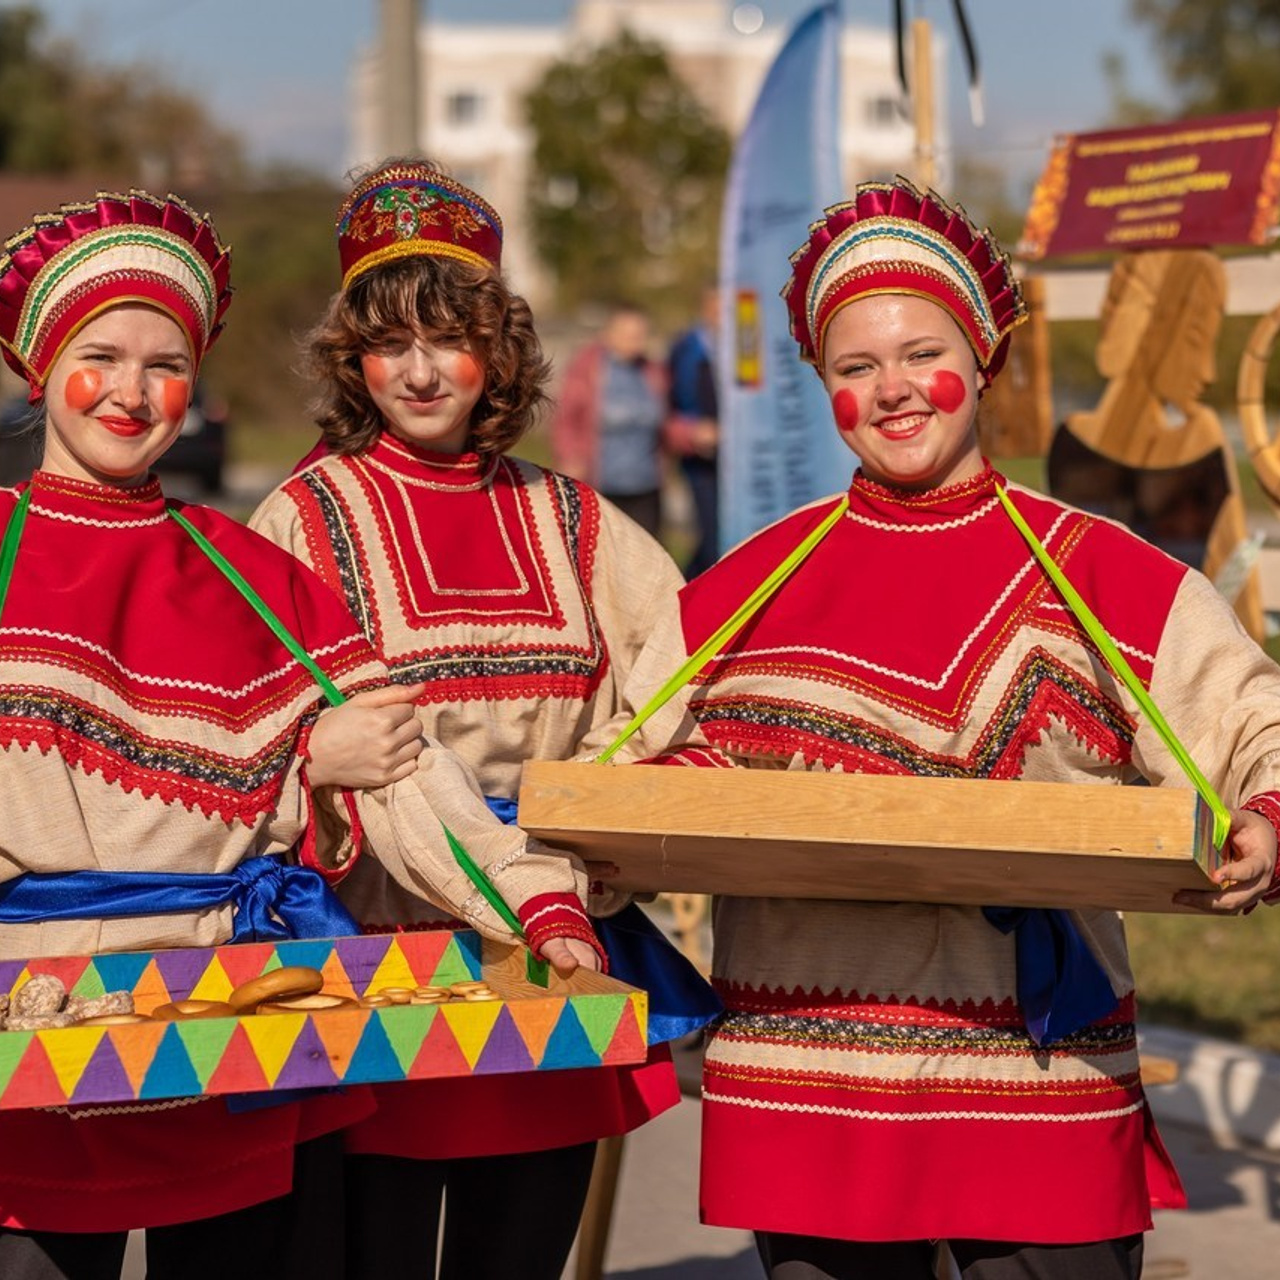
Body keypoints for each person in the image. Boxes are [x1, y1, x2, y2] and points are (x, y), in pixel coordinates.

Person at [582, 177, 1280, 1280]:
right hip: (810, 1078)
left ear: (983, 358)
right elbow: (635, 757)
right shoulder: (751, 584)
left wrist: (1263, 810)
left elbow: (1250, 714)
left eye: (920, 352)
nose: (893, 389)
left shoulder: (1097, 567)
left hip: (1035, 1071)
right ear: (822, 389)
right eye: (855, 368)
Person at [0, 188, 602, 1280]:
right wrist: (296, 770)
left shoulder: (261, 580)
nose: (132, 393)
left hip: (227, 1032)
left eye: (164, 363)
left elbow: (414, 784)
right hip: (26, 1034)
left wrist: (538, 903)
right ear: (41, 369)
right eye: (102, 355)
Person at [250, 160, 713, 1280]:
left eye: (447, 337)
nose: (418, 370)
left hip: (548, 959)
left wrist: (594, 813)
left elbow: (677, 674)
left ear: (495, 350)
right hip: (378, 966)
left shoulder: (572, 517)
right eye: (389, 340)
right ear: (352, 356)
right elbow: (266, 729)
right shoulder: (303, 518)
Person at [550, 299, 668, 538]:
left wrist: (694, 434)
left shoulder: (653, 372)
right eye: (628, 335)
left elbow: (667, 422)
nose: (636, 342)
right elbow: (566, 420)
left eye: (640, 335)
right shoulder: (588, 369)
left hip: (646, 484)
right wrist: (571, 458)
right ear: (609, 335)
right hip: (601, 485)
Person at [666, 284, 721, 577]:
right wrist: (691, 432)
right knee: (710, 533)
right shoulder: (685, 348)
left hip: (736, 457)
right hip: (698, 456)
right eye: (716, 306)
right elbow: (667, 402)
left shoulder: (743, 346)